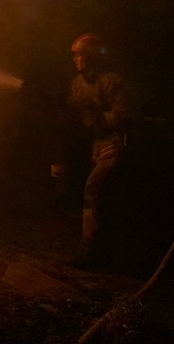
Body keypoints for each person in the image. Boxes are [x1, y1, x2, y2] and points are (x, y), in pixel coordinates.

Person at [67, 33, 132, 268]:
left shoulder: (111, 82)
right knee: (102, 199)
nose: (76, 60)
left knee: (94, 191)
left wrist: (100, 118)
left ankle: (92, 252)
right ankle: (105, 252)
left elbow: (124, 115)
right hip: (96, 146)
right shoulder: (79, 84)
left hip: (114, 144)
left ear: (92, 58)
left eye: (80, 56)